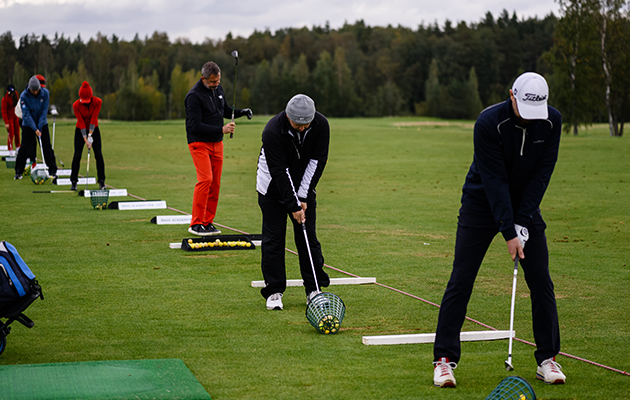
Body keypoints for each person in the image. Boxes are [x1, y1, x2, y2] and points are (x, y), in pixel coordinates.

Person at [432, 72, 566, 387]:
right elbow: (494, 181)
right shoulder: (488, 123)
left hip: (525, 206)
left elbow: (541, 175)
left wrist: (522, 221)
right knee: (461, 278)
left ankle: (547, 358)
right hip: (481, 201)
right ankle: (443, 360)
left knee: (541, 279)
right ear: (511, 96)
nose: (531, 119)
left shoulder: (551, 121)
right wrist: (509, 232)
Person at [255, 94, 331, 311]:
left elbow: (318, 161)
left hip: (303, 186)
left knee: (308, 238)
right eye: (297, 124)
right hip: (271, 188)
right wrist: (294, 205)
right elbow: (280, 171)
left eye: (305, 124)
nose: (301, 128)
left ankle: (314, 289)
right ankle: (274, 291)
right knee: (274, 239)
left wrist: (304, 196)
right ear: (288, 117)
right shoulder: (272, 131)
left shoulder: (321, 125)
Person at [185, 61, 253, 236]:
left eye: (218, 81)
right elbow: (195, 125)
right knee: (205, 180)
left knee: (215, 184)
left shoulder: (218, 90)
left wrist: (242, 112)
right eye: (213, 81)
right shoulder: (194, 96)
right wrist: (221, 129)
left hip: (217, 144)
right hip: (199, 143)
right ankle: (196, 223)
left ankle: (207, 222)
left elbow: (224, 110)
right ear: (204, 78)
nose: (216, 84)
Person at [14, 76, 57, 180]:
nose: (35, 92)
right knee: (24, 147)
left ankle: (53, 171)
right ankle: (18, 171)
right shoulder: (24, 96)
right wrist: (35, 129)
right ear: (30, 89)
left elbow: (44, 112)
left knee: (47, 146)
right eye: (33, 91)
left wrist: (39, 126)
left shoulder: (45, 93)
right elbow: (26, 115)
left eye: (37, 90)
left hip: (42, 123)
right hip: (28, 125)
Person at [71, 81, 105, 191]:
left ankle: (102, 181)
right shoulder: (76, 105)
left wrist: (90, 135)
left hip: (94, 129)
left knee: (98, 155)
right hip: (79, 131)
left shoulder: (98, 102)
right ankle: (74, 181)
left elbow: (94, 119)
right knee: (77, 155)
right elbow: (80, 122)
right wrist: (85, 139)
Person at [2, 84, 20, 156]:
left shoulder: (16, 94)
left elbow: (18, 104)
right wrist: (6, 122)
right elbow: (3, 111)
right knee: (11, 134)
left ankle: (18, 148)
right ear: (7, 91)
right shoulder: (5, 99)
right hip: (9, 118)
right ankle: (10, 151)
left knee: (17, 133)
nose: (12, 94)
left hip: (16, 116)